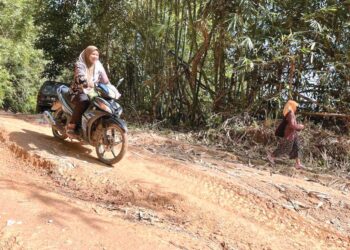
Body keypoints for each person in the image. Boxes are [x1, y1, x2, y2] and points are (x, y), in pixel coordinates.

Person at [66, 45, 111, 137]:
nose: (95, 57)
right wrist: (83, 81)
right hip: (78, 90)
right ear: (87, 54)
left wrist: (110, 87)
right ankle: (72, 126)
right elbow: (79, 74)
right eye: (93, 54)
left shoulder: (98, 65)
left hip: (93, 91)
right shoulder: (80, 64)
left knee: (103, 103)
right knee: (84, 101)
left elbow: (105, 80)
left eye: (97, 55)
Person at [267, 100, 305, 169]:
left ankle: (298, 164)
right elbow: (292, 125)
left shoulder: (290, 113)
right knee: (285, 148)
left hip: (293, 135)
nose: (296, 108)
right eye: (295, 106)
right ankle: (271, 156)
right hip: (289, 135)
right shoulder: (290, 114)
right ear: (292, 106)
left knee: (297, 148)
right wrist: (301, 126)